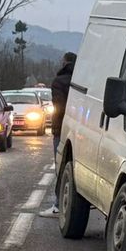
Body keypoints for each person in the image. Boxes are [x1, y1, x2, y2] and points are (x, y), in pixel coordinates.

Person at [39, 51, 77, 218]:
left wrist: (56, 128)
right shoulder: (81, 80)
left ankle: (58, 205)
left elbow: (59, 107)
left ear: (64, 63)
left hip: (62, 129)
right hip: (81, 130)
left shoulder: (59, 81)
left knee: (61, 166)